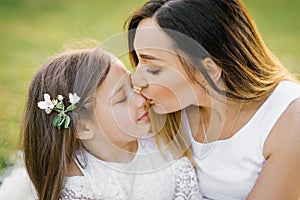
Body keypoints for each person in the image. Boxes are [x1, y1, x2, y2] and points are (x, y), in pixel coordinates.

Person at [126, 0, 300, 199]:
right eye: (138, 60)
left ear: (207, 70)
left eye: (154, 68)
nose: (136, 80)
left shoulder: (288, 118)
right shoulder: (163, 107)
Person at [0, 47, 201, 199]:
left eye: (133, 86)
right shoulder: (78, 183)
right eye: (122, 98)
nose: (141, 100)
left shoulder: (164, 151)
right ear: (83, 127)